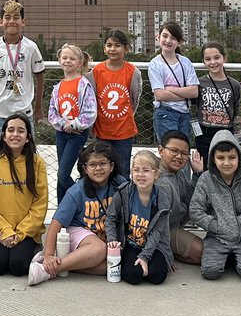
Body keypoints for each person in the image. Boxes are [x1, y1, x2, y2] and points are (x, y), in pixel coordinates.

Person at [30, 140, 128, 285]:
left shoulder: (120, 184)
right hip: (78, 231)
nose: (98, 168)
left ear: (111, 166)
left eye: (103, 163)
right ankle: (47, 269)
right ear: (85, 168)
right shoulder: (77, 190)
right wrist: (49, 255)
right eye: (92, 164)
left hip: (104, 236)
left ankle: (69, 262)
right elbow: (56, 223)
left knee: (115, 266)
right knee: (99, 249)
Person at [0, 114, 49, 277]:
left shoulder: (37, 163)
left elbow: (40, 203)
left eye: (21, 131)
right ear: (4, 136)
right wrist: (5, 230)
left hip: (26, 231)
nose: (15, 134)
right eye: (11, 130)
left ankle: (33, 248)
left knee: (18, 267)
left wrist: (22, 232)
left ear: (27, 138)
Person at [189, 130, 241, 282]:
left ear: (239, 158)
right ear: (213, 159)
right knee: (210, 272)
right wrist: (216, 226)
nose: (227, 163)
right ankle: (226, 257)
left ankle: (236, 258)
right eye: (220, 158)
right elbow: (196, 211)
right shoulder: (205, 180)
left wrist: (233, 225)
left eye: (232, 157)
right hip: (217, 235)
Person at [0, 0, 45, 154]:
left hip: (22, 111)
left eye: (16, 17)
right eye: (7, 17)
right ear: (0, 22)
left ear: (23, 22)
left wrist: (38, 107)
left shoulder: (31, 47)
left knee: (25, 156)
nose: (12, 21)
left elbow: (40, 77)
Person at [106, 150, 172, 285]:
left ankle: (153, 263)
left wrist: (145, 257)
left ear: (156, 174)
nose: (140, 175)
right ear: (131, 173)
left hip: (155, 245)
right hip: (131, 243)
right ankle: (138, 266)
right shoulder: (123, 192)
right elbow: (111, 218)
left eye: (146, 170)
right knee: (133, 276)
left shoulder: (162, 198)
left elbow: (157, 232)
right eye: (136, 170)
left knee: (157, 276)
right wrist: (112, 239)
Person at [48, 43, 97, 202]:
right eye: (64, 57)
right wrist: (63, 125)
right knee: (61, 173)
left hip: (77, 134)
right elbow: (52, 113)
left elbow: (90, 112)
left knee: (63, 173)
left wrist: (74, 124)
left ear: (80, 62)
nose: (68, 61)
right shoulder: (58, 87)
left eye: (72, 58)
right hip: (62, 133)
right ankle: (62, 207)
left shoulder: (83, 85)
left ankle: (82, 200)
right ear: (59, 60)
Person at [91, 28, 142, 172]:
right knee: (102, 169)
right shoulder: (96, 71)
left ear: (126, 49)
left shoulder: (133, 72)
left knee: (122, 170)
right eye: (109, 45)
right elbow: (92, 99)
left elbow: (134, 99)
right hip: (102, 130)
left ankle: (122, 195)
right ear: (104, 48)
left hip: (124, 131)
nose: (113, 49)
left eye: (117, 45)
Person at [156, 130, 204, 266]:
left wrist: (197, 174)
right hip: (163, 230)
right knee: (204, 253)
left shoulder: (177, 173)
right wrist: (166, 254)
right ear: (161, 150)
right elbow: (158, 223)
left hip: (176, 224)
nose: (179, 157)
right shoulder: (158, 180)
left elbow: (191, 199)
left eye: (184, 153)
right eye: (174, 151)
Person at [147, 20, 198, 143]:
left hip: (185, 114)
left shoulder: (185, 62)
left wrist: (169, 89)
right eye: (165, 36)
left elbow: (194, 92)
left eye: (173, 38)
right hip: (165, 113)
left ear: (179, 42)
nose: (168, 41)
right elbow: (160, 95)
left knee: (183, 151)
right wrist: (184, 95)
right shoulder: (155, 64)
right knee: (170, 151)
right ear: (158, 37)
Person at [195, 40, 241, 159]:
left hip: (225, 131)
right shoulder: (199, 83)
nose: (213, 62)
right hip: (204, 132)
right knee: (205, 165)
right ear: (203, 61)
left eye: (217, 57)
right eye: (208, 59)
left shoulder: (234, 85)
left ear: (224, 58)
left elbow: (235, 106)